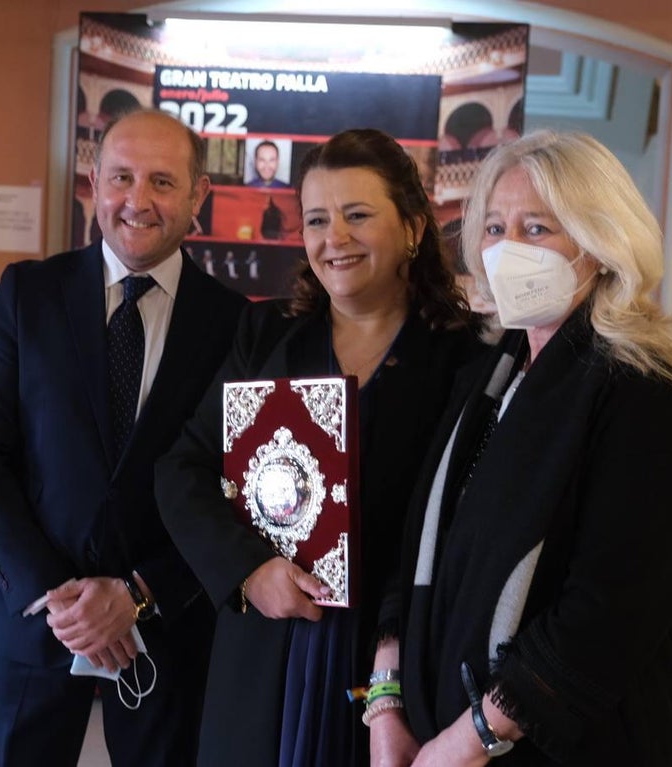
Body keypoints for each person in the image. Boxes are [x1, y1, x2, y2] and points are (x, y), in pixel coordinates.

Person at [369, 130, 672, 767]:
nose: (507, 252)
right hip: (439, 721)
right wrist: (386, 699)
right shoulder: (491, 374)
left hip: (558, 745)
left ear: (601, 243)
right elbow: (421, 536)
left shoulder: (641, 393)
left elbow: (608, 615)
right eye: (495, 228)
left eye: (537, 229)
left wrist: (466, 742)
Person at [157, 128, 482, 766]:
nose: (335, 237)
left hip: (391, 659)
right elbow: (182, 469)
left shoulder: (464, 358)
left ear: (414, 227)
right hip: (265, 644)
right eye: (317, 219)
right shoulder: (266, 334)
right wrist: (247, 572)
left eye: (358, 215)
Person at [0, 108, 247, 767]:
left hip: (168, 633)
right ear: (93, 183)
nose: (138, 200)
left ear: (198, 195)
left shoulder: (234, 326)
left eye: (163, 182)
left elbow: (237, 486)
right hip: (34, 620)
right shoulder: (27, 294)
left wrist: (140, 593)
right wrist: (62, 596)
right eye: (121, 177)